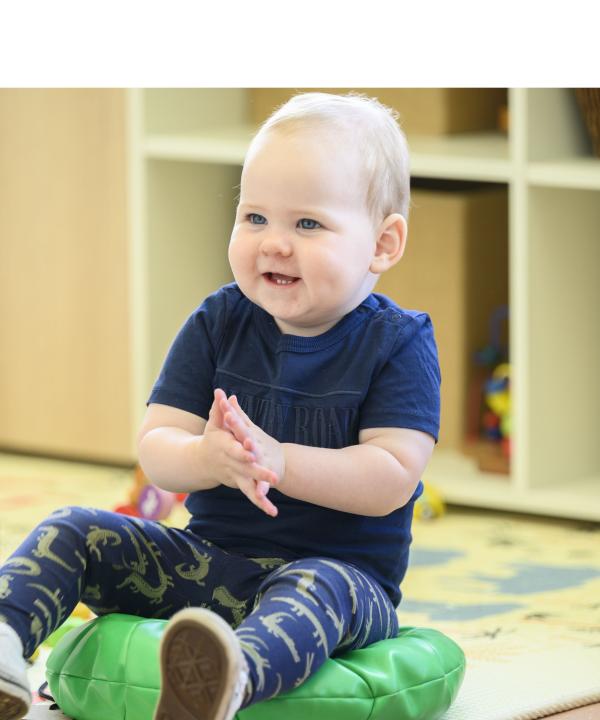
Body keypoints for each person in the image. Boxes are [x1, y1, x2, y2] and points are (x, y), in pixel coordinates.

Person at [0, 92, 440, 720]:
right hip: (211, 565)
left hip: (342, 582)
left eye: (307, 223)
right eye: (254, 217)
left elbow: (391, 479)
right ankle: (7, 645)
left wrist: (279, 460)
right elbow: (158, 450)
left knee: (314, 586)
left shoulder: (398, 341)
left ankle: (222, 683)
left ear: (383, 243)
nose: (274, 244)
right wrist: (207, 456)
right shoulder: (218, 320)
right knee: (75, 528)